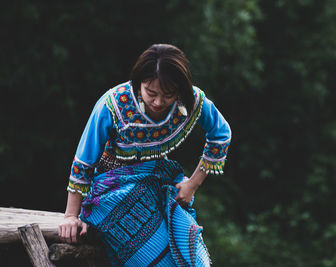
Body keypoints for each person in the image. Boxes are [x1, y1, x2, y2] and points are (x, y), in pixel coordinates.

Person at [58, 44, 231, 266]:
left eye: (169, 95)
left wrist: (193, 184)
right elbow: (84, 161)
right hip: (112, 193)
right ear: (137, 83)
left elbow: (221, 133)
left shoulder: (192, 100)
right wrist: (71, 216)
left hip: (160, 183)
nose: (159, 102)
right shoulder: (112, 105)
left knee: (193, 255)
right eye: (151, 92)